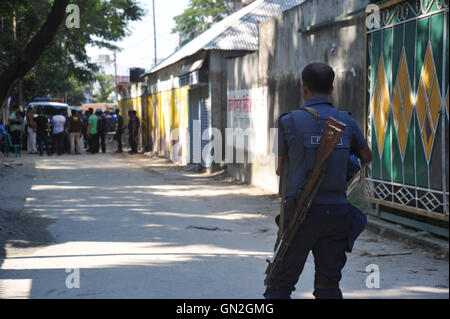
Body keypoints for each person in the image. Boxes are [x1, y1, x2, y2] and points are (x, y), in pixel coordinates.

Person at [264, 63, 373, 299]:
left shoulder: (288, 121)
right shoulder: (346, 120)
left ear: (304, 89)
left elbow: (280, 169)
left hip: (300, 213)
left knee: (278, 285)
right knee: (328, 287)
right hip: (337, 213)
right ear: (332, 89)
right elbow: (367, 158)